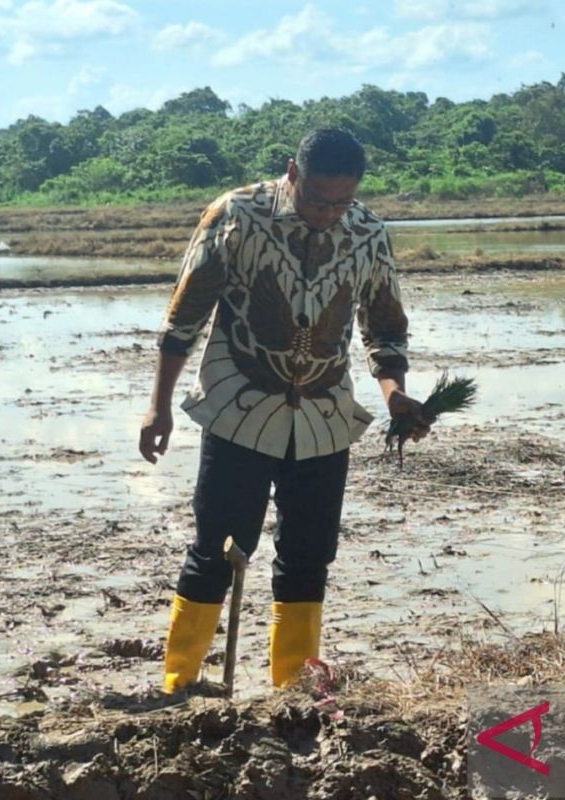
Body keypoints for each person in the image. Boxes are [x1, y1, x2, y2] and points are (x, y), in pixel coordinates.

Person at [139, 128, 428, 692]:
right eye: (318, 199)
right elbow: (184, 317)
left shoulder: (367, 232)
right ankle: (179, 682)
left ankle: (292, 688)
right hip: (239, 409)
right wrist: (160, 406)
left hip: (324, 419)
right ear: (292, 174)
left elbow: (384, 327)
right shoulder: (237, 216)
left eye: (341, 201)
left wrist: (394, 394)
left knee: (308, 556)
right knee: (217, 550)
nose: (327, 213)